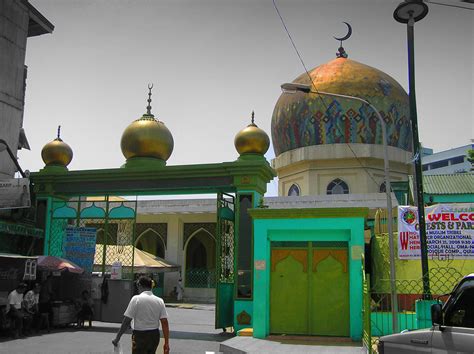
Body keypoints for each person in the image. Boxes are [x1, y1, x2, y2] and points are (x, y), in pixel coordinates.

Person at [113, 276, 169, 354]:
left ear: (139, 285)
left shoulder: (136, 299)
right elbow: (164, 322)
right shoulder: (159, 301)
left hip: (140, 336)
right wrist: (166, 343)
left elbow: (127, 320)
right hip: (154, 336)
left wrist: (117, 338)